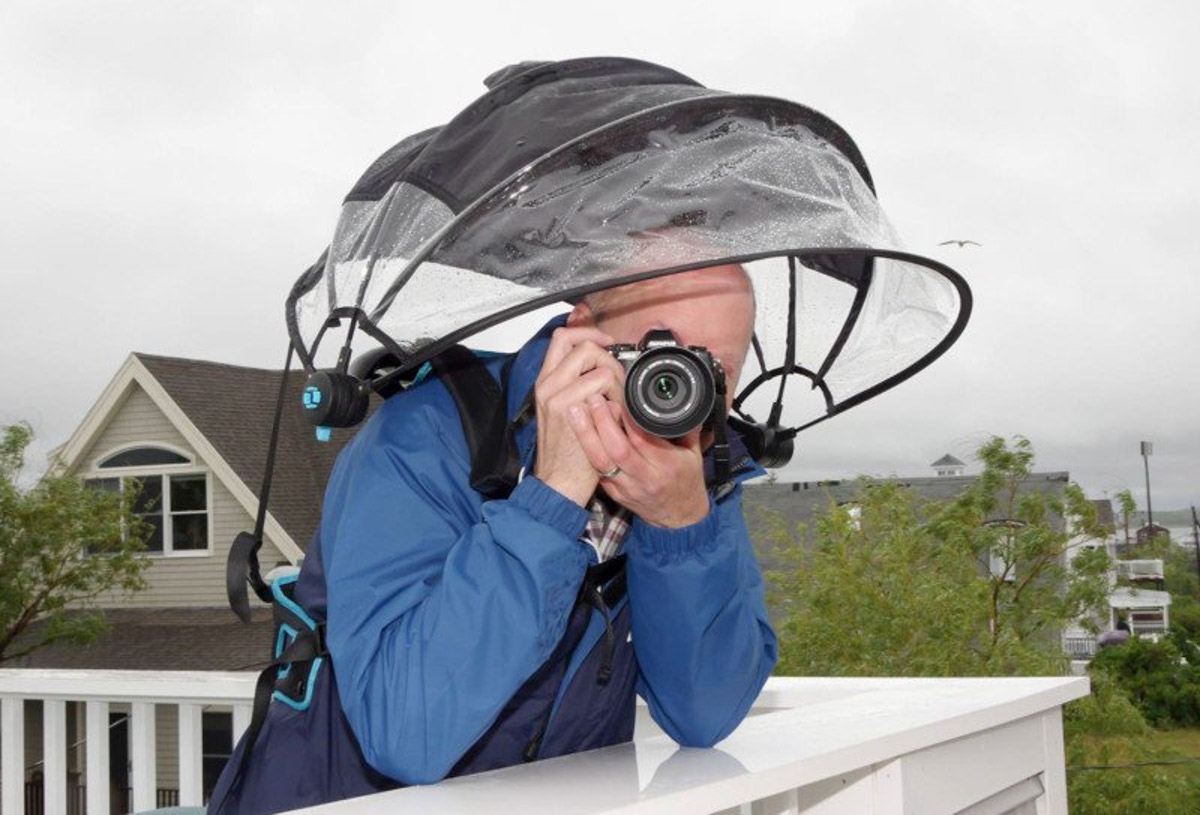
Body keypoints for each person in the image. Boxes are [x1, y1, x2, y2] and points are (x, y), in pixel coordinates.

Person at [208, 263, 777, 814]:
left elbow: (703, 715)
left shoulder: (700, 479)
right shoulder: (424, 437)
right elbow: (406, 729)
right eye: (662, 352)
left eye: (715, 370)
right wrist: (550, 500)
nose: (680, 388)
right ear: (580, 332)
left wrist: (683, 529)